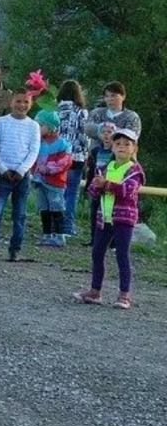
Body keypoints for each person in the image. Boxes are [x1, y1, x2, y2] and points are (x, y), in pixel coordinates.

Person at [73, 126, 143, 310]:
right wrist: (97, 186)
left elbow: (128, 191)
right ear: (111, 147)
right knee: (97, 253)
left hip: (123, 220)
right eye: (118, 143)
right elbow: (93, 192)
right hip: (104, 217)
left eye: (127, 144)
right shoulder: (104, 167)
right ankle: (95, 291)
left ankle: (124, 295)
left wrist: (106, 184)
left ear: (134, 149)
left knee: (122, 256)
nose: (121, 147)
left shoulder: (135, 170)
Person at [0, 89, 40, 262]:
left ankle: (15, 249)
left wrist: (22, 170)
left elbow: (34, 150)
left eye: (26, 102)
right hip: (3, 175)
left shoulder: (33, 125)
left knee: (20, 215)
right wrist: (2, 168)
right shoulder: (2, 122)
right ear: (11, 102)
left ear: (31, 104)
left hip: (22, 177)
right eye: (18, 101)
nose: (22, 105)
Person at [83, 82, 140, 242]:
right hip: (99, 160)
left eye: (114, 95)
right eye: (107, 96)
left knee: (118, 199)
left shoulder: (131, 116)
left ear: (123, 96)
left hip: (121, 163)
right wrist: (103, 131)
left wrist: (110, 133)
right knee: (96, 199)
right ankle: (95, 237)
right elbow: (87, 128)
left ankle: (116, 239)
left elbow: (131, 135)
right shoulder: (97, 112)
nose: (110, 99)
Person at [54, 80, 91, 243]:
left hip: (57, 156)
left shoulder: (55, 111)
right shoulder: (81, 112)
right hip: (76, 157)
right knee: (72, 193)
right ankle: (68, 226)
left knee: (57, 191)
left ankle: (55, 225)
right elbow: (85, 135)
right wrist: (87, 153)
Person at [33, 110, 74, 247]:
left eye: (40, 125)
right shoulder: (38, 142)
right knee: (44, 207)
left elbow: (65, 162)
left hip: (56, 182)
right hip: (39, 181)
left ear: (50, 127)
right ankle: (47, 234)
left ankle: (60, 235)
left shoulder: (63, 144)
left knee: (56, 207)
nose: (37, 127)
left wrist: (48, 169)